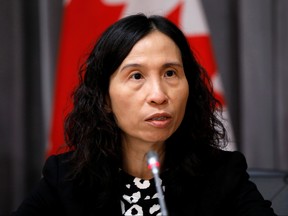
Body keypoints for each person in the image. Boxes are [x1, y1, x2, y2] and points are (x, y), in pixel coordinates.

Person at [12, 13, 277, 216]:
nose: (159, 95)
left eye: (170, 73)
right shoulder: (66, 178)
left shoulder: (222, 174)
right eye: (137, 76)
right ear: (104, 98)